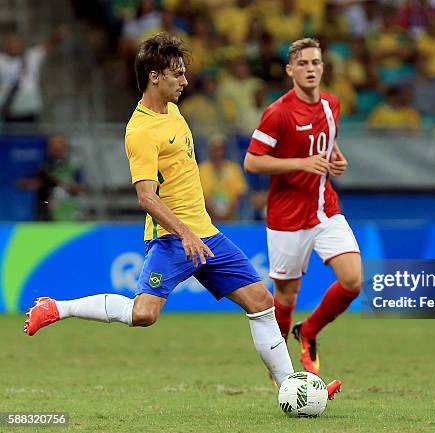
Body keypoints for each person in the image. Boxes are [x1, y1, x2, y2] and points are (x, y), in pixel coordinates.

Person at [23, 33, 341, 399]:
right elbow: (146, 196)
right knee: (144, 314)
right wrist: (185, 234)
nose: (185, 82)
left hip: (207, 233)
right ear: (155, 76)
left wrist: (197, 231)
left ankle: (293, 388)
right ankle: (56, 308)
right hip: (173, 239)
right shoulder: (140, 131)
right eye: (177, 74)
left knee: (261, 302)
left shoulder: (173, 111)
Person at [244, 38, 362, 375]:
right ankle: (281, 370)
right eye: (303, 64)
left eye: (316, 63)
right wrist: (301, 163)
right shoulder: (278, 112)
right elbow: (252, 162)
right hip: (286, 216)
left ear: (323, 67)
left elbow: (327, 139)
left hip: (325, 208)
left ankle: (308, 331)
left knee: (353, 280)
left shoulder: (331, 104)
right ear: (290, 70)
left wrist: (335, 156)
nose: (310, 69)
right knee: (285, 293)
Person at [16, 133, 84, 221]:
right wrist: (39, 183)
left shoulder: (73, 167)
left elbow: (79, 190)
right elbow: (21, 183)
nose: (57, 147)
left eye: (60, 145)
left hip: (66, 210)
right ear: (48, 148)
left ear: (65, 147)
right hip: (45, 207)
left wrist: (64, 185)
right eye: (53, 145)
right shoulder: (41, 166)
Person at [198, 135, 247, 221]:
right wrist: (211, 211)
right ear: (209, 150)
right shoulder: (201, 170)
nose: (218, 152)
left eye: (221, 149)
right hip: (207, 217)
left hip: (231, 218)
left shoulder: (234, 169)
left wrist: (228, 212)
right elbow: (199, 195)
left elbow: (239, 193)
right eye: (215, 149)